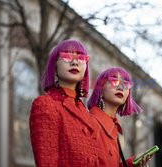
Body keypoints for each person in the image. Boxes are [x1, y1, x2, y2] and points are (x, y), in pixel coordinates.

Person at [29, 39, 105, 167]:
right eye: (67, 56)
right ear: (55, 65)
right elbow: (47, 162)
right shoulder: (45, 105)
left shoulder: (85, 112)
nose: (74, 61)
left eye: (81, 58)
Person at [87, 67, 152, 167]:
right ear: (101, 89)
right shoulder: (89, 123)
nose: (121, 87)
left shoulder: (114, 128)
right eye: (114, 81)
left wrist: (131, 164)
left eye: (126, 84)